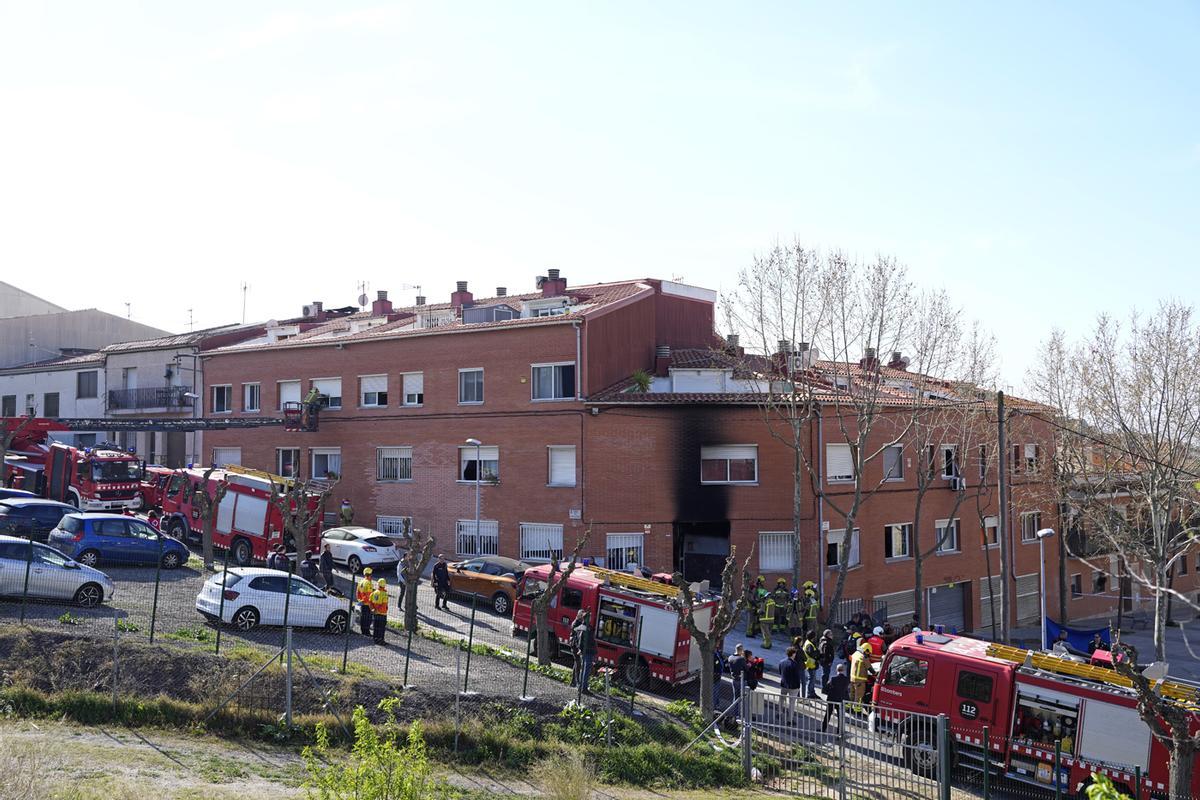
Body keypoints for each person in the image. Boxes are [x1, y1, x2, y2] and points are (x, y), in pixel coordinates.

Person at [822, 662, 850, 736]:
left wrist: (829, 692)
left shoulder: (833, 679)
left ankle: (823, 729)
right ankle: (839, 732)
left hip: (832, 699)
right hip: (841, 700)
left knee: (827, 714)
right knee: (840, 717)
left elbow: (825, 689)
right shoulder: (846, 680)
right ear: (843, 670)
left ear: (836, 670)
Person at [573, 610, 596, 694]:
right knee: (585, 670)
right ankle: (583, 688)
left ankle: (581, 686)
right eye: (589, 617)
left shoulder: (587, 627)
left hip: (588, 651)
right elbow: (580, 640)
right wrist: (581, 649)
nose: (590, 619)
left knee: (584, 670)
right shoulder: (584, 627)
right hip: (587, 651)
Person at [777, 647, 802, 719]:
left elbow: (780, 672)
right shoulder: (795, 664)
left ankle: (779, 713)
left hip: (784, 684)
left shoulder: (781, 662)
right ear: (793, 654)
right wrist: (798, 687)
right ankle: (789, 719)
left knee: (781, 700)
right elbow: (797, 677)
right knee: (791, 703)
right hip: (793, 687)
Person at [849, 641, 871, 711]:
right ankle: (857, 709)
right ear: (866, 650)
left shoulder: (855, 654)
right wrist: (876, 673)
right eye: (868, 653)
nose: (869, 654)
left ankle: (848, 707)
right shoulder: (864, 657)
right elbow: (870, 668)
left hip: (852, 678)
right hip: (860, 680)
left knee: (852, 694)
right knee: (859, 695)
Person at [369, 578, 389, 644]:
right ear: (384, 585)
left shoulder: (373, 593)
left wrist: (373, 609)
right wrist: (378, 610)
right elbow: (383, 605)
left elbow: (370, 602)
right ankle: (381, 641)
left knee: (376, 626)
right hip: (382, 614)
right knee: (381, 628)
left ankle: (375, 639)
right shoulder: (384, 594)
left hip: (375, 613)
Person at [357, 567, 375, 635]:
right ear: (370, 574)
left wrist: (360, 600)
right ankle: (366, 632)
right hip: (367, 604)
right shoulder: (369, 583)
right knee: (368, 619)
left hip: (362, 603)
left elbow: (357, 592)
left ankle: (363, 631)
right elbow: (368, 595)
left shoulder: (361, 582)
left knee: (363, 617)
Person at [801, 631, 819, 698]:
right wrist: (817, 653)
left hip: (810, 663)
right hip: (811, 664)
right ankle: (810, 693)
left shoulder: (808, 642)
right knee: (811, 679)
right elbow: (812, 654)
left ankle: (812, 692)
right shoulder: (809, 644)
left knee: (812, 679)